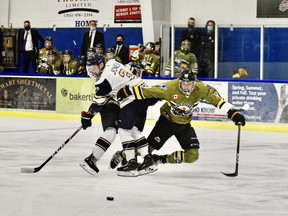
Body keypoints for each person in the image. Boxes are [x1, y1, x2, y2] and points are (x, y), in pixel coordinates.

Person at [112, 69, 246, 172]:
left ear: (194, 83)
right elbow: (149, 91)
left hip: (184, 125)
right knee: (148, 150)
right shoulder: (170, 87)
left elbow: (218, 101)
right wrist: (128, 90)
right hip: (166, 122)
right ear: (179, 82)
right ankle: (124, 154)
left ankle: (160, 159)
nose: (187, 87)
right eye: (184, 84)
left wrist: (233, 114)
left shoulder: (202, 89)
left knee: (193, 156)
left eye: (190, 84)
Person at [79, 53, 158, 177]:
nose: (90, 70)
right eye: (89, 67)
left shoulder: (104, 80)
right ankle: (148, 160)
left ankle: (132, 162)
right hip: (143, 94)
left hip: (132, 100)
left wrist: (88, 115)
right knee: (133, 129)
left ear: (101, 65)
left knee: (123, 130)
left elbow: (98, 102)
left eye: (93, 67)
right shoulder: (112, 62)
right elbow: (126, 70)